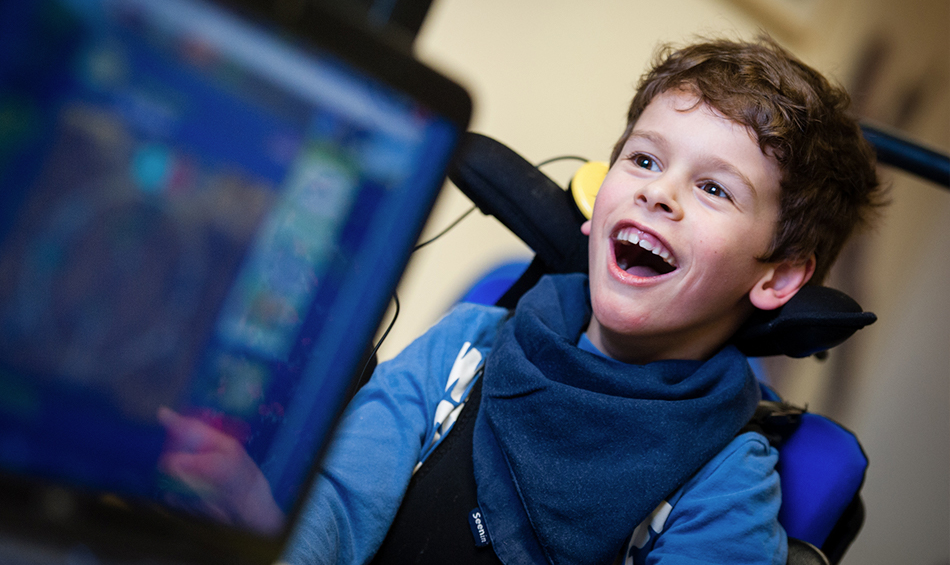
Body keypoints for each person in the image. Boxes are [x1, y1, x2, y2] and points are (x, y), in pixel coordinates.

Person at [174, 35, 883, 564]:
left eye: (714, 188)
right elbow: (333, 516)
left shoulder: (726, 479)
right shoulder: (465, 350)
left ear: (778, 276)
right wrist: (255, 513)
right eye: (643, 159)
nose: (658, 192)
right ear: (594, 199)